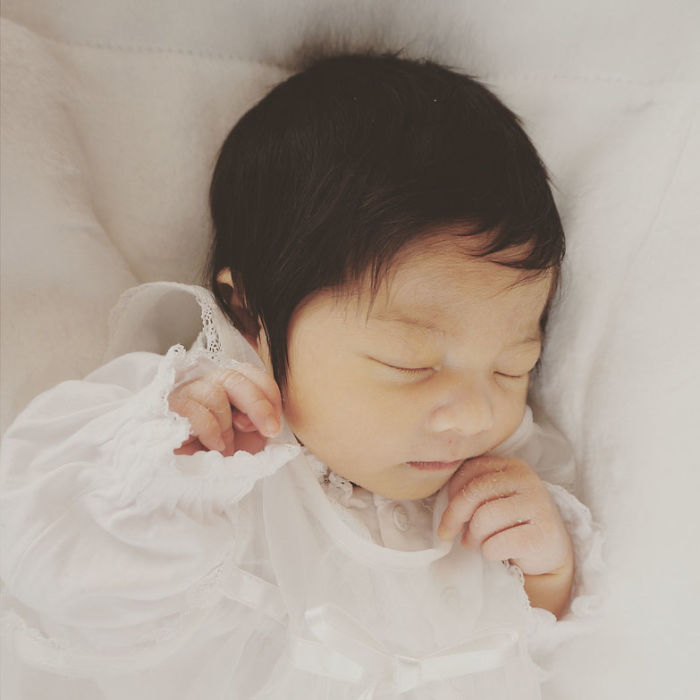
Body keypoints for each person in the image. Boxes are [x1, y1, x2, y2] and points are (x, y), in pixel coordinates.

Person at [0, 49, 602, 699]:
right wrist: (162, 471)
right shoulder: (206, 445)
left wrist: (547, 574)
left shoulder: (493, 483)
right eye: (409, 362)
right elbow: (59, 575)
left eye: (514, 368)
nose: (477, 414)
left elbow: (547, 661)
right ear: (248, 313)